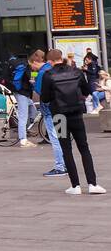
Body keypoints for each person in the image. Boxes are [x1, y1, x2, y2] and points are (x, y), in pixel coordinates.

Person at [40, 52, 104, 195]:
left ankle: (75, 186)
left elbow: (44, 98)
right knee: (84, 148)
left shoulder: (48, 75)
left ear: (50, 61)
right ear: (61, 58)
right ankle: (92, 184)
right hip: (76, 114)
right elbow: (87, 91)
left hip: (59, 116)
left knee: (66, 148)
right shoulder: (76, 71)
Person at [34, 50, 67, 178]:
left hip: (50, 108)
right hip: (63, 107)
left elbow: (39, 90)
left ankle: (60, 166)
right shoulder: (65, 70)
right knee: (62, 136)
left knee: (55, 138)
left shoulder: (44, 72)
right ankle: (66, 164)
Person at [12, 50, 43, 147]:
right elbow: (31, 80)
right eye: (38, 63)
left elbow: (32, 78)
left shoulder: (29, 67)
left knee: (34, 113)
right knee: (23, 117)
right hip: (21, 93)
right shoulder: (26, 67)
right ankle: (23, 140)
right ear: (34, 62)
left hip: (26, 94)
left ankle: (25, 131)